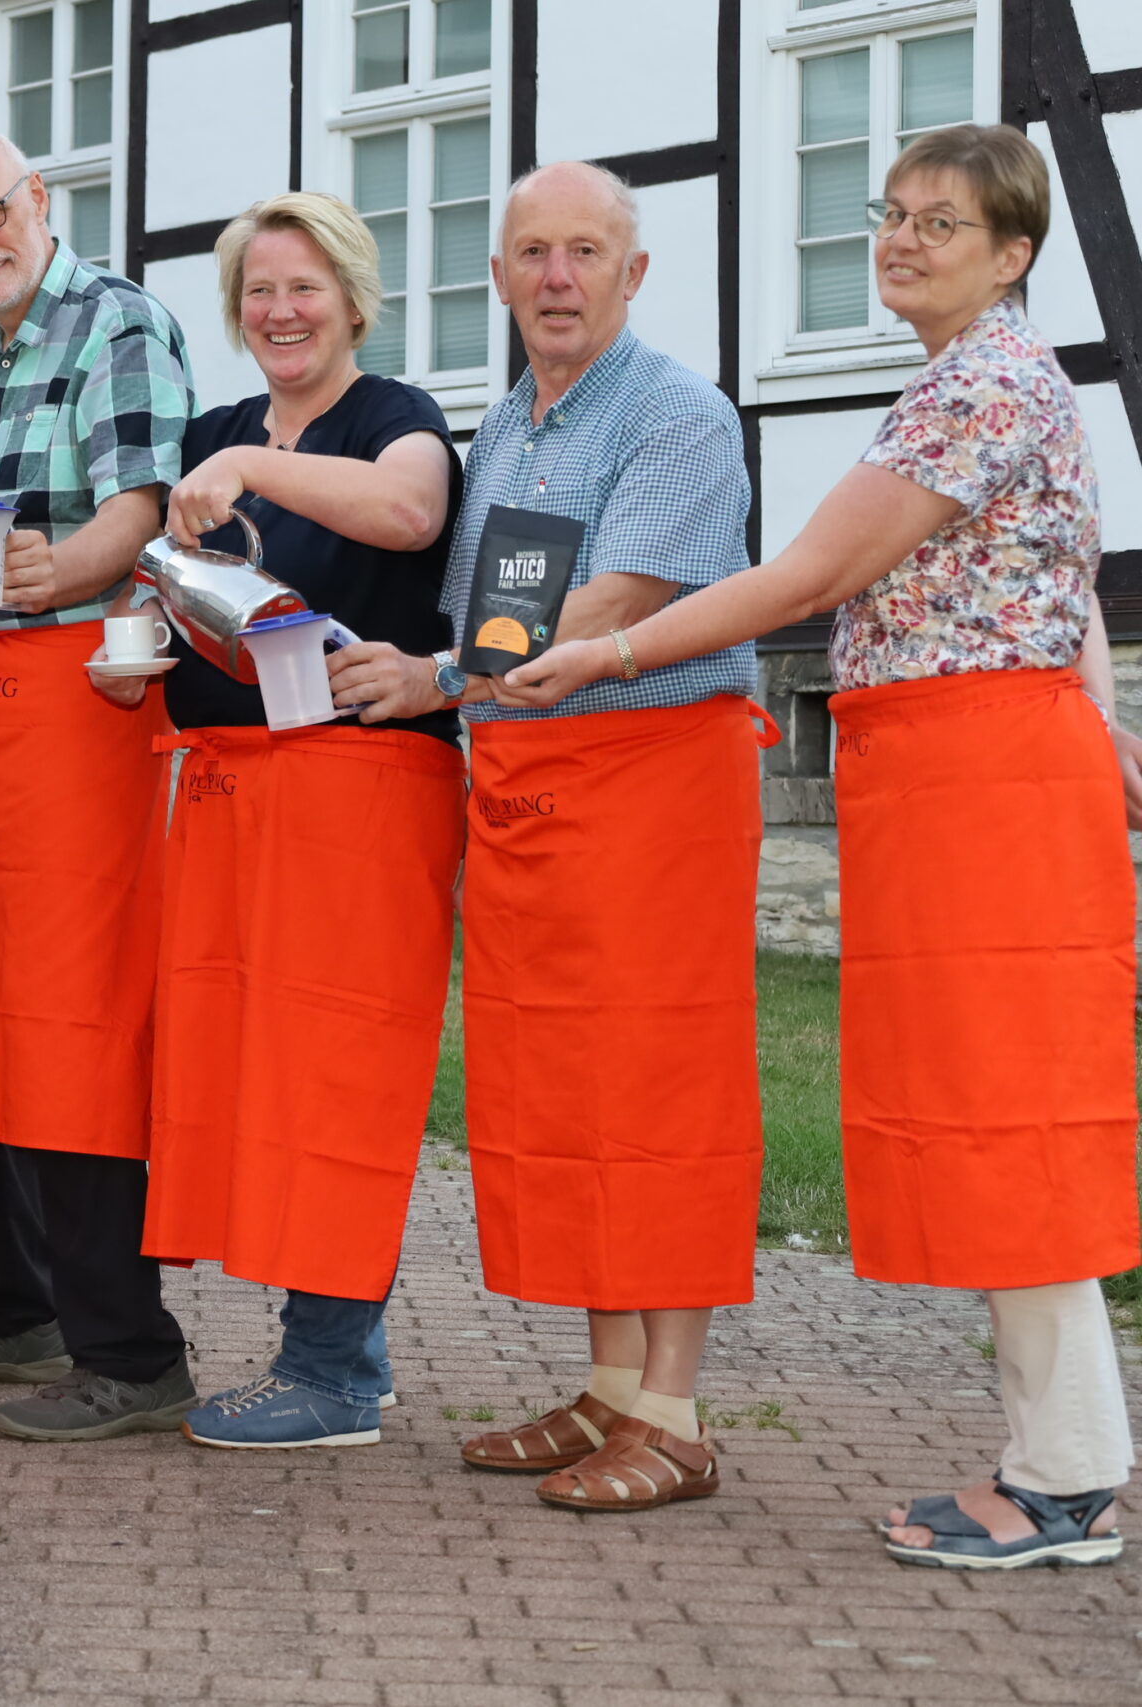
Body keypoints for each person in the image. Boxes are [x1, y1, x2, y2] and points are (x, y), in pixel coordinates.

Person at [504, 126, 1137, 1566]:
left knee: (1008, 1117)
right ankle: (1059, 1461)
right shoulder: (982, 376)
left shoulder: (980, 383)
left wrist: (611, 654)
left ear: (1013, 254)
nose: (901, 240)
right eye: (891, 213)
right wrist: (1098, 722)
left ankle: (1066, 1481)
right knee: (991, 1113)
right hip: (965, 773)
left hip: (981, 782)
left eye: (941, 222)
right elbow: (1073, 578)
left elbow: (809, 575)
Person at [327, 160, 767, 1512]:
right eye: (533, 252)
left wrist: (435, 674)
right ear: (500, 276)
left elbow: (615, 602)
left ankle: (675, 1414)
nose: (557, 277)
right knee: (563, 1084)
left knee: (656, 1083)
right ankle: (613, 1385)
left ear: (635, 274)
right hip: (533, 789)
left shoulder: (677, 413)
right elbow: (500, 607)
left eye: (585, 251)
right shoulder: (509, 424)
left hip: (652, 781)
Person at [103, 194, 463, 1451]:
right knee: (249, 1073)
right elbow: (170, 580)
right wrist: (134, 646)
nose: (279, 310)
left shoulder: (395, 418)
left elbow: (409, 514)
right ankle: (330, 1347)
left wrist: (252, 470)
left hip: (358, 797)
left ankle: (332, 1373)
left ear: (354, 300)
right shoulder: (213, 430)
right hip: (229, 792)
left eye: (304, 286)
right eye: (257, 290)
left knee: (334, 1074)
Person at [0, 130, 200, 1442]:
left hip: (73, 698)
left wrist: (60, 573)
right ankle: (14, 1301)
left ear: (40, 200)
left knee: (70, 1019)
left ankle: (131, 1345)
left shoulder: (117, 319)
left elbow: (143, 508)